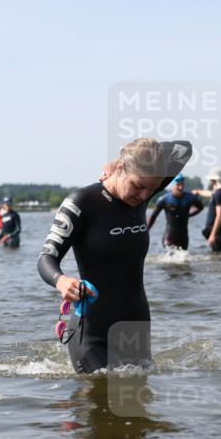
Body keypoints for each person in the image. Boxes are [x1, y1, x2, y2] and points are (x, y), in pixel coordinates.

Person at [38, 138, 192, 373]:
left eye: (151, 189)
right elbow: (46, 258)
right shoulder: (81, 202)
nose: (144, 196)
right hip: (92, 335)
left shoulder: (142, 191)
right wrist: (61, 281)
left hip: (135, 330)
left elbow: (184, 149)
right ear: (121, 169)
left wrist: (131, 157)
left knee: (138, 396)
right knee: (101, 393)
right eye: (138, 186)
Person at [147, 174, 204, 250]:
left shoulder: (190, 198)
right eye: (178, 185)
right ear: (172, 186)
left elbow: (201, 207)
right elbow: (153, 217)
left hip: (184, 238)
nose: (180, 187)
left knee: (183, 256)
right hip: (169, 237)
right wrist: (146, 231)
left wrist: (189, 215)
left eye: (182, 184)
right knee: (171, 254)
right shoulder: (164, 200)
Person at [193, 168, 221, 252]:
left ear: (213, 180)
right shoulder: (217, 192)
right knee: (216, 255)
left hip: (217, 232)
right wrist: (198, 192)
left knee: (219, 254)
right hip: (216, 230)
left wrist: (213, 235)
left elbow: (219, 216)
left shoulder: (220, 193)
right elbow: (210, 194)